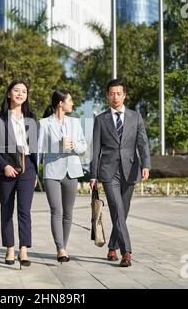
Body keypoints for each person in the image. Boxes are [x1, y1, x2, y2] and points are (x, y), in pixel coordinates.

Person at [89, 79, 150, 268]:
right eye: (111, 94)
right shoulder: (101, 119)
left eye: (118, 93)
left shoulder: (136, 117)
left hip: (130, 169)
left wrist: (146, 165)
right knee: (116, 208)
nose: (115, 97)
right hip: (108, 171)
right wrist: (93, 175)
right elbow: (95, 149)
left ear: (124, 95)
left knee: (122, 211)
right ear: (108, 96)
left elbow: (143, 143)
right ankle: (127, 252)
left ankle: (112, 247)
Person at [0, 79, 38, 268]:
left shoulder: (31, 118)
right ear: (8, 93)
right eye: (16, 90)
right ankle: (9, 248)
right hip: (6, 169)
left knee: (24, 211)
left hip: (27, 168)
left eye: (24, 91)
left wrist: (35, 174)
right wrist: (3, 166)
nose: (20, 94)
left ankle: (23, 249)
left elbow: (34, 149)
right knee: (6, 210)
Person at [38, 90, 87, 263]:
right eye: (70, 100)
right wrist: (35, 175)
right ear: (60, 103)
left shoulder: (75, 122)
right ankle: (60, 248)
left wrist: (74, 145)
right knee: (56, 210)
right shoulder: (44, 123)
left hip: (72, 171)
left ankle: (63, 247)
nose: (72, 103)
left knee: (68, 213)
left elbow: (83, 146)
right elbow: (39, 148)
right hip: (52, 172)